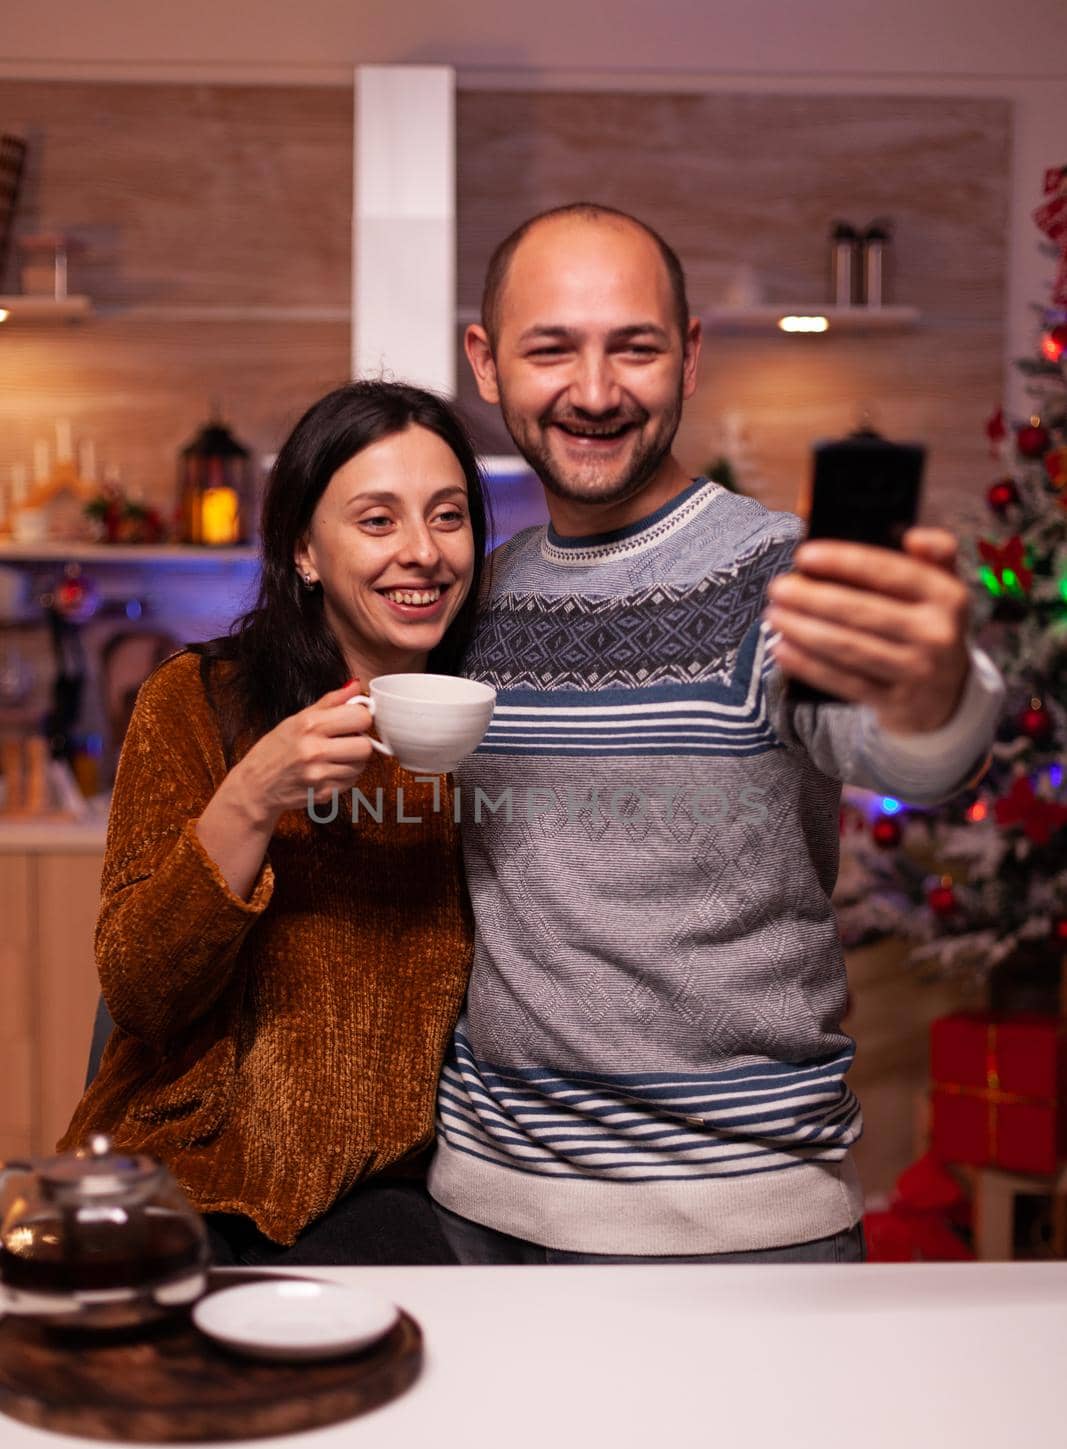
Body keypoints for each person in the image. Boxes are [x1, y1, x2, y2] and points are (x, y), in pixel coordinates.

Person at [427, 202, 1006, 1264]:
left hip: (738, 1232)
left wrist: (929, 693)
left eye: (633, 347)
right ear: (487, 361)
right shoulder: (475, 596)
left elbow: (911, 750)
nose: (593, 392)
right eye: (550, 347)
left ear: (686, 357)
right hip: (478, 1212)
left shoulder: (775, 576)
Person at [59, 381, 489, 1266]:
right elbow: (138, 992)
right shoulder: (199, 701)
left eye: (447, 518)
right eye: (377, 521)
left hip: (386, 1189)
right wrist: (249, 798)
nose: (422, 553)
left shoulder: (488, 727)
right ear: (303, 549)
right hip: (182, 1165)